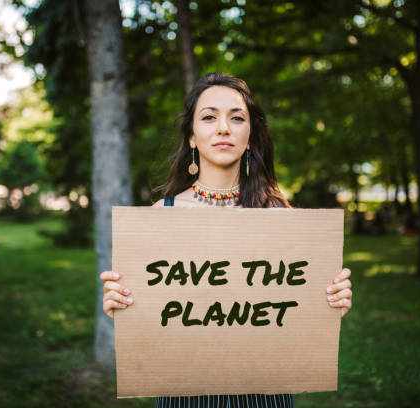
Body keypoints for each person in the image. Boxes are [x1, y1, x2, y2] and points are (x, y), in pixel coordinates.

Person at [100, 73, 353, 408]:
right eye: (208, 117)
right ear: (192, 137)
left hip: (264, 393)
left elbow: (298, 306)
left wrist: (331, 300)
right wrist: (122, 303)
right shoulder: (163, 215)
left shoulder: (279, 214)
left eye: (236, 118)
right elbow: (152, 312)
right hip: (184, 393)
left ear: (249, 137)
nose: (223, 128)